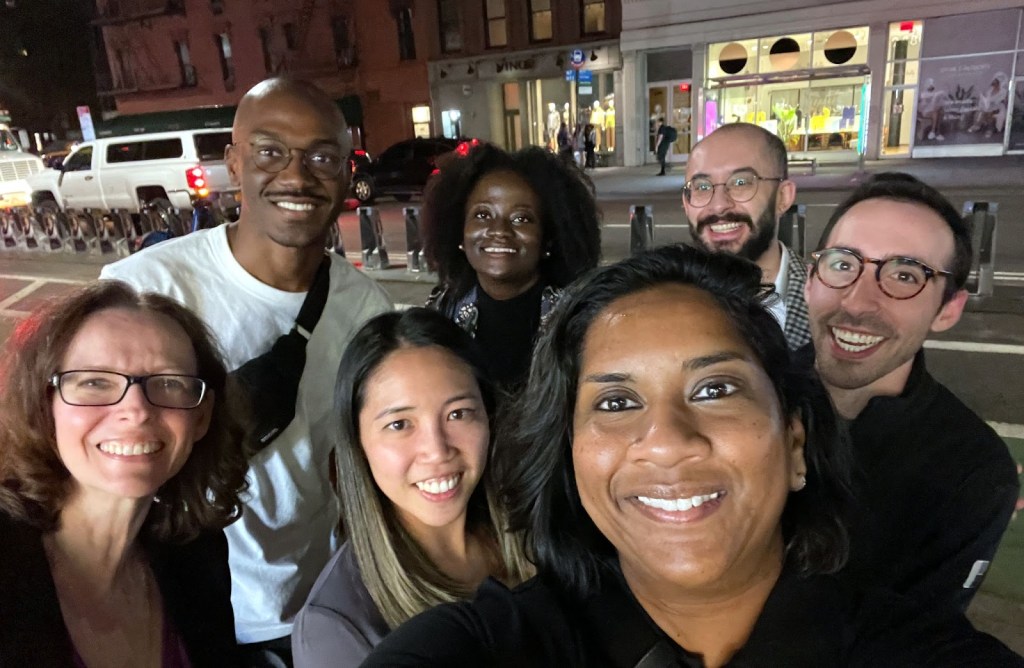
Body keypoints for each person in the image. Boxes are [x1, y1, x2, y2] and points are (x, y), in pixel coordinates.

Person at [362, 245, 1022, 666]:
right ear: (569, 460)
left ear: (795, 444)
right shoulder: (488, 648)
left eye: (715, 389)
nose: (669, 439)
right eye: (616, 402)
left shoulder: (916, 651)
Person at [100, 77, 394, 662]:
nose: (296, 175)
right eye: (269, 151)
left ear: (345, 173)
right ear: (234, 163)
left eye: (321, 157)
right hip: (178, 601)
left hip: (307, 603)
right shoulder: (146, 288)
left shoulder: (365, 308)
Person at [0, 280, 248, 666]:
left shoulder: (198, 556)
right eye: (95, 382)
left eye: (168, 383)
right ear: (44, 405)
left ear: (201, 416)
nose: (137, 411)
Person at [803, 173, 1020, 612]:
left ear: (948, 310)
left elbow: (917, 639)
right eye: (843, 264)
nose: (858, 303)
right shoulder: (738, 392)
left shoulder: (971, 473)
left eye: (905, 275)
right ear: (810, 279)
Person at [291, 308, 532, 667]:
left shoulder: (537, 532)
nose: (437, 451)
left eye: (458, 413)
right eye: (400, 424)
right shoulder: (337, 627)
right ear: (358, 442)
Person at [422, 142, 601, 390]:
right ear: (459, 233)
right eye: (483, 215)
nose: (499, 231)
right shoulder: (442, 312)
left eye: (521, 219)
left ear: (547, 239)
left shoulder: (580, 322)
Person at [682, 122, 811, 350]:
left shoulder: (832, 305)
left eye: (741, 182)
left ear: (783, 197)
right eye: (702, 186)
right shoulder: (665, 305)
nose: (719, 205)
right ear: (686, 203)